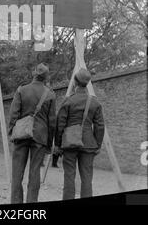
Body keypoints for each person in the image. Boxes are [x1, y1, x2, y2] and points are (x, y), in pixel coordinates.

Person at [8, 63, 56, 203]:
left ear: (34, 74)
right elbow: (52, 122)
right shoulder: (50, 94)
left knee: (17, 173)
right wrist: (49, 143)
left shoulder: (21, 90)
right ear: (46, 77)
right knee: (35, 173)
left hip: (21, 134)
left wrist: (12, 133)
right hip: (40, 137)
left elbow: (13, 114)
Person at [55, 68, 105, 200]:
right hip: (89, 145)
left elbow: (60, 125)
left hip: (70, 143)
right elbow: (100, 126)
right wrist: (98, 145)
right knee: (87, 179)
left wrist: (58, 144)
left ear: (75, 82)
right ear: (87, 83)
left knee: (69, 178)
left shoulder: (68, 101)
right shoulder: (95, 102)